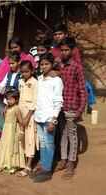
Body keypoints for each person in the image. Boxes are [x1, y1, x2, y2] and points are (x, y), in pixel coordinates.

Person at [54, 38, 86, 179]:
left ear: (72, 51)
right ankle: (63, 159)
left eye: (67, 50)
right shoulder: (58, 65)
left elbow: (82, 89)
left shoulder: (76, 67)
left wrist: (80, 109)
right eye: (62, 50)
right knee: (63, 134)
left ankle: (71, 163)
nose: (64, 52)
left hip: (72, 107)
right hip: (60, 107)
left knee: (72, 136)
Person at [33, 53, 63, 182]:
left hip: (49, 118)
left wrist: (53, 120)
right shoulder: (39, 79)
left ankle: (47, 170)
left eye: (47, 64)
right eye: (42, 64)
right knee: (43, 143)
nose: (44, 66)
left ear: (52, 65)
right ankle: (44, 166)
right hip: (39, 117)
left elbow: (58, 102)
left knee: (49, 144)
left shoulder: (56, 80)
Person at [0, 89, 25, 173]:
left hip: (13, 130)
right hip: (6, 129)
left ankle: (12, 164)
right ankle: (3, 162)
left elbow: (21, 122)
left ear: (16, 99)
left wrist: (22, 132)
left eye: (11, 99)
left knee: (12, 146)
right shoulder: (6, 107)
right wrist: (4, 112)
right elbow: (5, 119)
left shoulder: (16, 109)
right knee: (5, 145)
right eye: (7, 99)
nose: (9, 101)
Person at [17, 60, 38, 177]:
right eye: (22, 72)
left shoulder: (35, 83)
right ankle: (21, 161)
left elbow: (35, 101)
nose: (24, 74)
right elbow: (19, 97)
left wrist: (27, 116)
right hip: (21, 112)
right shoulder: (20, 82)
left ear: (32, 71)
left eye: (27, 71)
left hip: (29, 115)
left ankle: (29, 165)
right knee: (21, 137)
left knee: (30, 139)